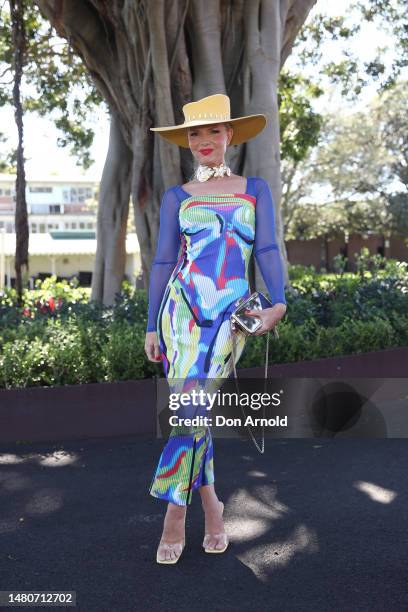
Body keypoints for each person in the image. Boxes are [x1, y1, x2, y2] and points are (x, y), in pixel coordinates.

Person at [144, 93, 287, 564]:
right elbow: (164, 260)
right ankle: (207, 507)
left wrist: (279, 301)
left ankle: (176, 512)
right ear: (186, 141)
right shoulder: (177, 196)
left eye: (214, 131)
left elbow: (266, 249)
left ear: (230, 136)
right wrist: (151, 326)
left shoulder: (255, 189)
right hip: (179, 315)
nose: (204, 140)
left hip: (230, 319)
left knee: (191, 411)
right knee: (194, 412)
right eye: (195, 133)